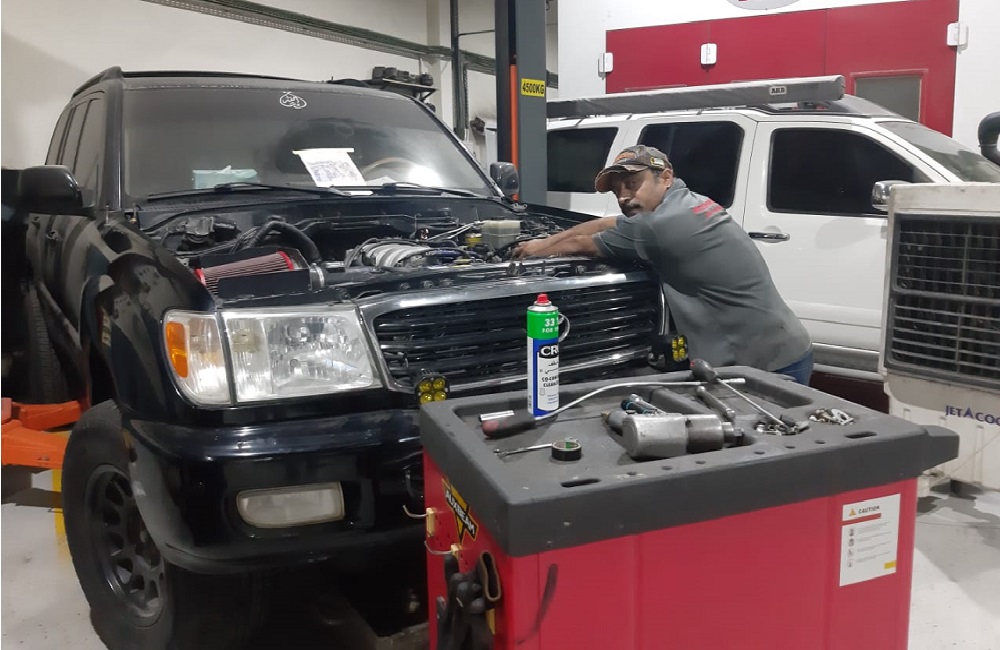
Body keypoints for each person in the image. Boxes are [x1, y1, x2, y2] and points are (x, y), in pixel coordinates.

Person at [512, 145, 814, 384]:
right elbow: (608, 222)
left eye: (632, 184)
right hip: (781, 346)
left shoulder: (660, 226)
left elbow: (579, 245)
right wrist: (548, 238)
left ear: (666, 177)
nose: (624, 196)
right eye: (617, 190)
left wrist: (535, 249)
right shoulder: (685, 203)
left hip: (764, 366)